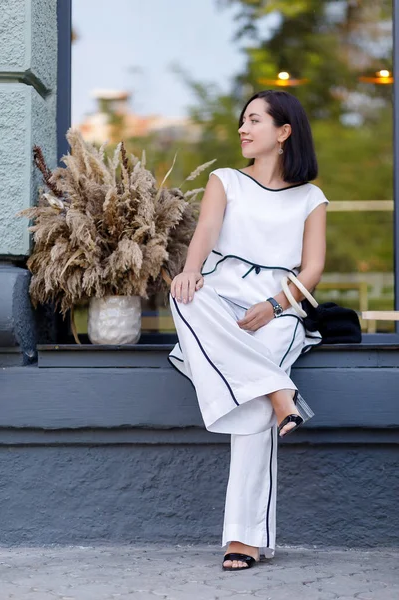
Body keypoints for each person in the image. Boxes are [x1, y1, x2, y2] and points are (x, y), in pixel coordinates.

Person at [168, 90, 329, 572]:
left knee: (253, 401)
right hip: (222, 297)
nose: (243, 128)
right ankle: (283, 392)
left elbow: (314, 268)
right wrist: (191, 270)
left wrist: (276, 304)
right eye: (243, 120)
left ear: (284, 133)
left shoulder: (310, 197)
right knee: (185, 295)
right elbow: (206, 232)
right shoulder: (224, 180)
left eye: (254, 120)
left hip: (278, 309)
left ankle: (243, 538)